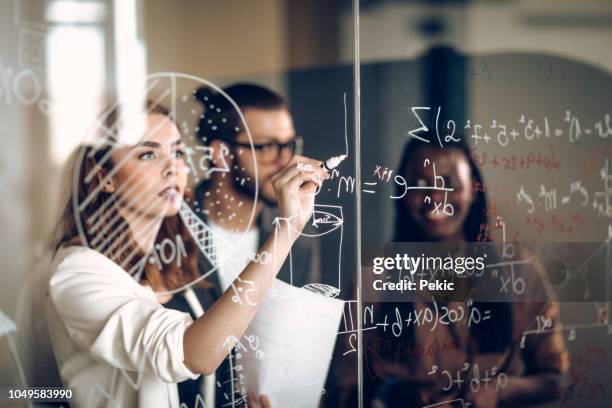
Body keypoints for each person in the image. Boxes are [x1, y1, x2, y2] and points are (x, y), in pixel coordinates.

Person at [46, 100, 330, 408]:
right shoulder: (77, 272)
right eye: (148, 154)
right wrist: (287, 229)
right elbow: (195, 355)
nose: (172, 168)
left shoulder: (174, 259)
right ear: (105, 177)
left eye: (179, 153)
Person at [357, 136, 569, 407]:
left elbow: (556, 379)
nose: (435, 197)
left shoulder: (519, 271)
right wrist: (394, 396)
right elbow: (346, 387)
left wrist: (501, 391)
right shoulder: (372, 279)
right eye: (420, 184)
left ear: (473, 190)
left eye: (449, 183)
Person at [191, 83, 321, 293]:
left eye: (288, 145)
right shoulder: (172, 228)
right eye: (266, 147)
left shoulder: (298, 232)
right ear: (222, 153)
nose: (286, 160)